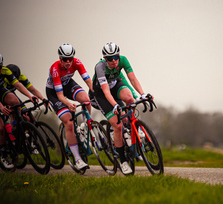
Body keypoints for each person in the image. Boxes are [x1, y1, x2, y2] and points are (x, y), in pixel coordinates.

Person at [90, 42, 151, 175]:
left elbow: (133, 79)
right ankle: (123, 161)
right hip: (101, 94)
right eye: (110, 58)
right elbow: (106, 92)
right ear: (105, 59)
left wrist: (142, 94)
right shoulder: (100, 67)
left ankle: (131, 129)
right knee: (117, 125)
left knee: (130, 100)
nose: (114, 60)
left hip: (115, 85)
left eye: (116, 57)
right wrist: (115, 105)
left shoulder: (123, 60)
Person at [46, 43, 93, 171]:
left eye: (70, 59)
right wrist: (69, 104)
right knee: (69, 122)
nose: (68, 62)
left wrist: (96, 93)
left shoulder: (77, 63)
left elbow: (88, 81)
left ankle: (84, 127)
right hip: (55, 93)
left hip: (67, 84)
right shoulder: (55, 69)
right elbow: (60, 96)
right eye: (65, 60)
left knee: (86, 100)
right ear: (60, 59)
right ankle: (77, 159)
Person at [0, 54, 38, 169]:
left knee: (15, 101)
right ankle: (3, 156)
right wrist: (1, 107)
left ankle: (16, 129)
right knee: (0, 128)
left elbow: (18, 85)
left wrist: (30, 96)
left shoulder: (6, 71)